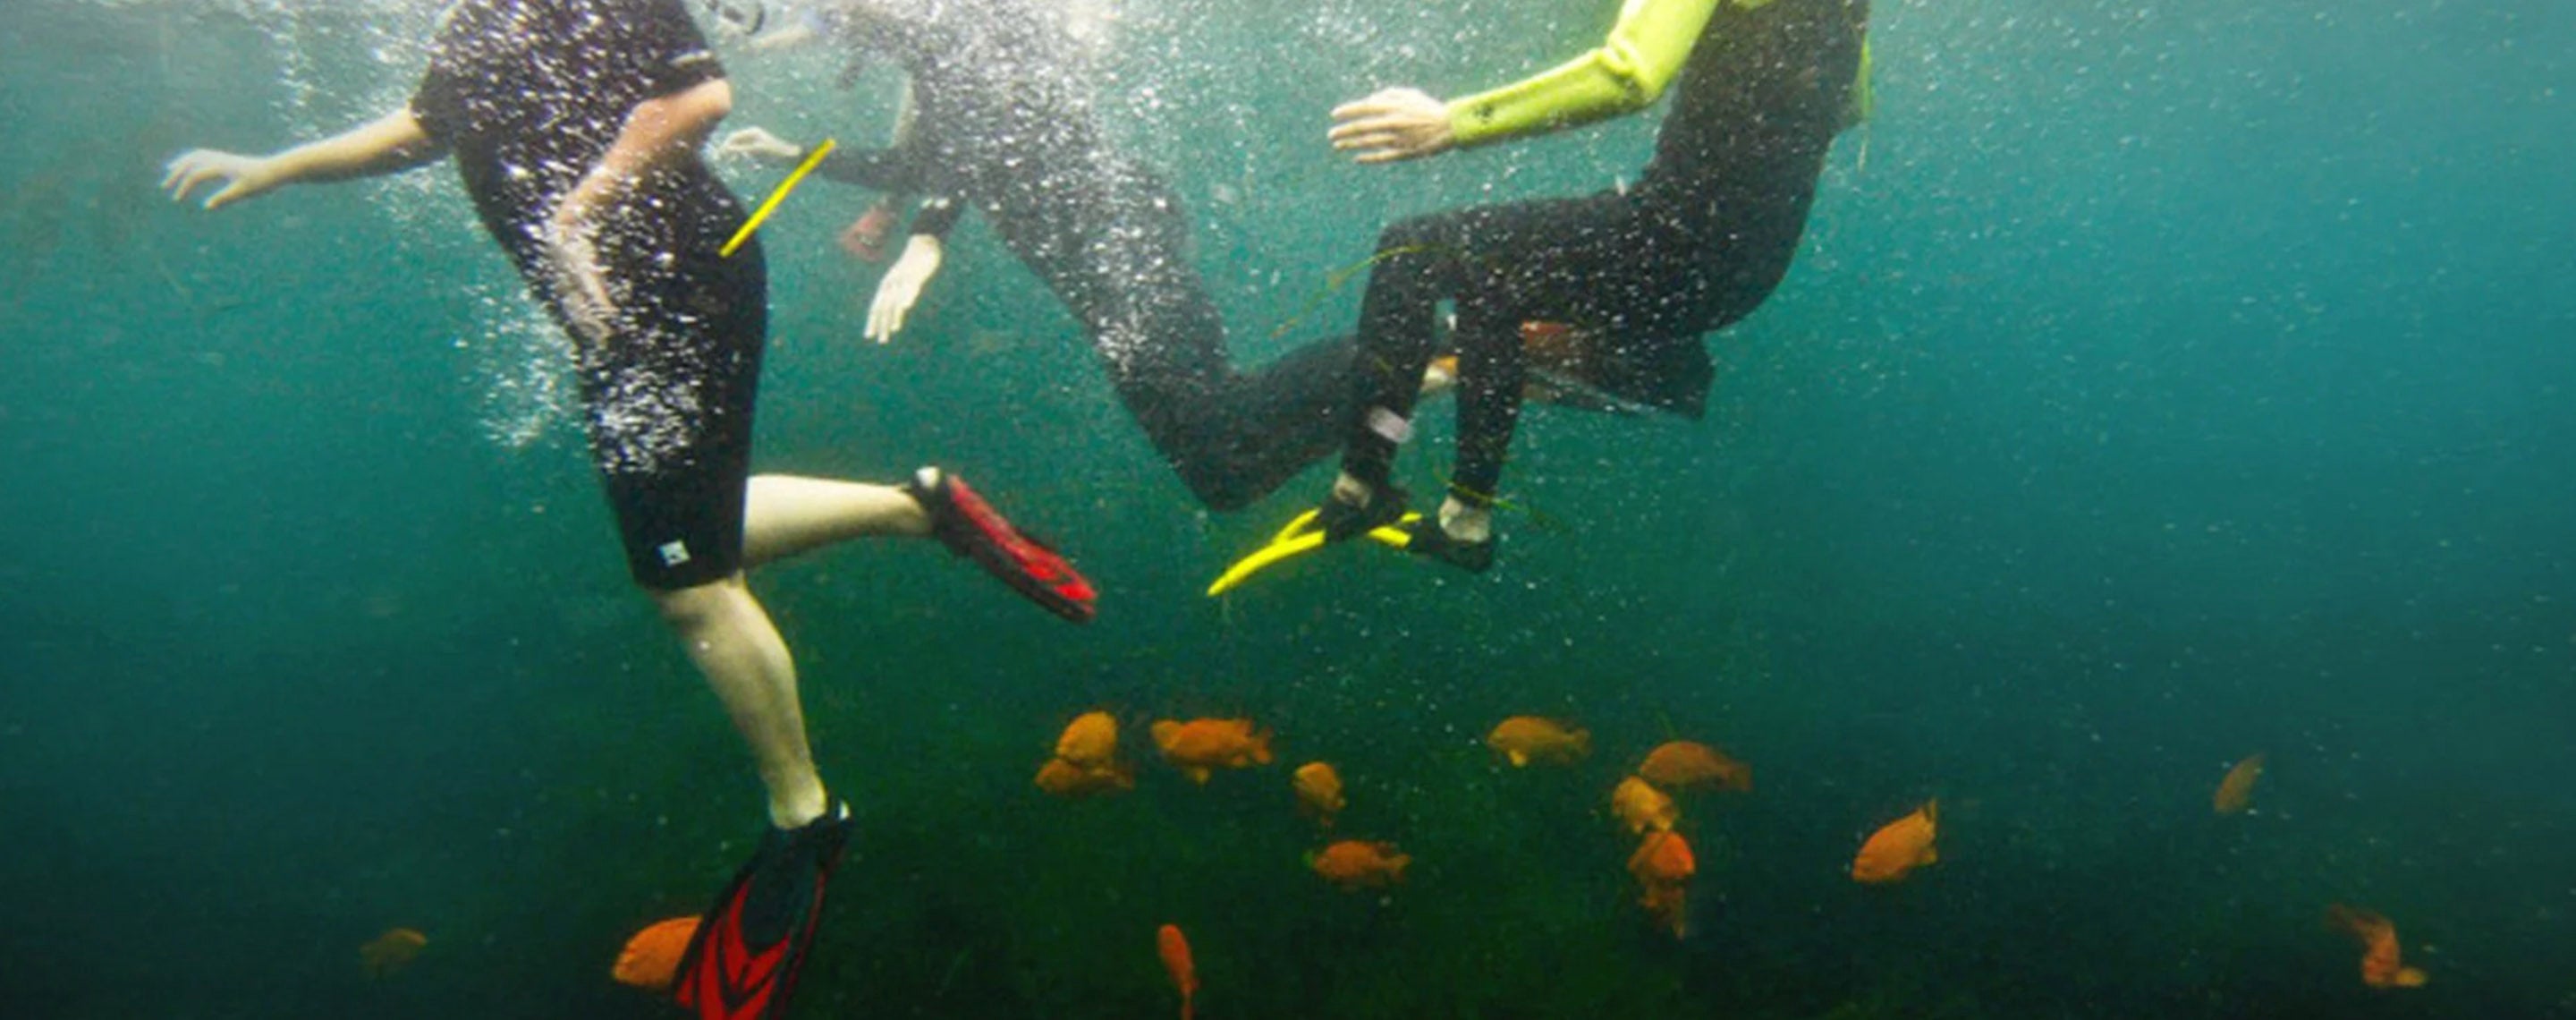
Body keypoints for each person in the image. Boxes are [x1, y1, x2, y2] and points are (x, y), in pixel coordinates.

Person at [159, 1, 1094, 1016]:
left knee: (688, 584)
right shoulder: (475, 21)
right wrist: (278, 164)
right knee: (691, 536)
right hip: (625, 321)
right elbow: (423, 127)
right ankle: (921, 510)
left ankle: (805, 817)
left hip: (682, 286)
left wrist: (586, 206)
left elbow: (701, 95)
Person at [717, 0, 1365, 511]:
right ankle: (1397, 380)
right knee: (1221, 480)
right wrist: (794, 153)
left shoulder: (977, 32)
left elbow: (959, 145)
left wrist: (926, 238)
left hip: (1125, 238)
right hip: (1097, 280)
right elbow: (927, 156)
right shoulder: (939, 62)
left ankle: (1417, 342)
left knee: (1220, 414)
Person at [1295, 0, 1873, 571]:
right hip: (1743, 271)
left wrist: (1452, 123)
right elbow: (1850, 105)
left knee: (1413, 251)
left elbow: (1630, 75)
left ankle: (1362, 486)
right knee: (1493, 283)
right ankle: (1464, 518)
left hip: (1667, 239)